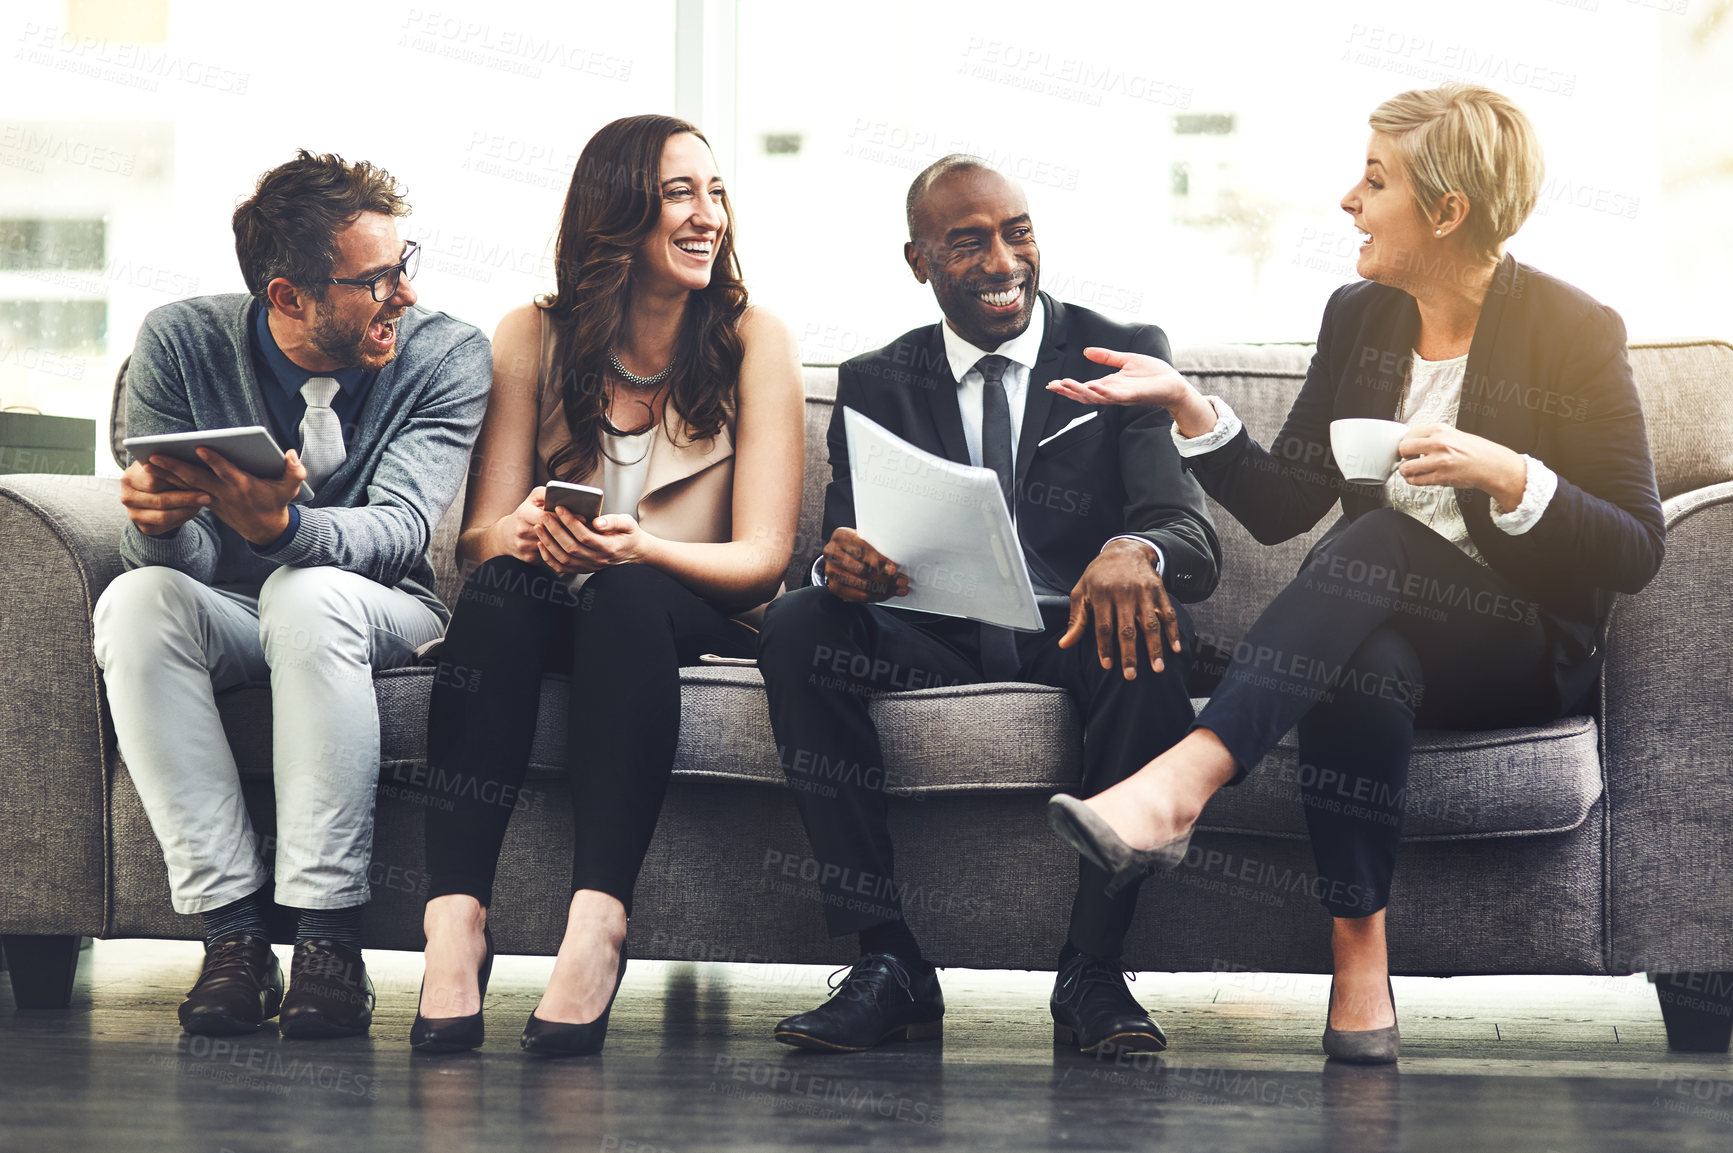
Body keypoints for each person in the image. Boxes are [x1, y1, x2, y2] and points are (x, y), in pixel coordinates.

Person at [1045, 83, 1664, 1064]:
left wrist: (1510, 474)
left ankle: (1179, 782)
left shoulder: (1570, 329)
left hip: (1516, 644)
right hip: (1381, 631)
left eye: (1373, 181)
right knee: (1358, 643)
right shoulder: (1360, 316)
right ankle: (1356, 960)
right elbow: (1286, 499)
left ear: (1447, 210)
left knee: (1366, 545)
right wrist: (1184, 408)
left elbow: (1634, 544)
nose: (1347, 201)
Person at [756, 155, 1221, 1056]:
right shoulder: (877, 379)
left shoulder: (1119, 351)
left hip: (1074, 625)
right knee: (800, 624)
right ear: (917, 260)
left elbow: (1185, 535)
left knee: (1158, 634)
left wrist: (1136, 548)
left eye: (1018, 233)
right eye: (967, 243)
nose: (1003, 261)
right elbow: (841, 541)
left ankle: (1092, 967)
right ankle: (886, 961)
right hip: (929, 628)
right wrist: (838, 566)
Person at [412, 114, 804, 1056]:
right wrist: (521, 529)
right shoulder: (531, 335)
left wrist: (643, 550)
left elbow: (762, 557)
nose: (708, 214)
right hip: (552, 593)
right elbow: (477, 539)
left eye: (715, 192)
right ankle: (453, 921)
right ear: (614, 213)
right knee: (504, 588)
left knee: (622, 594)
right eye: (680, 194)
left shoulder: (754, 338)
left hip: (679, 599)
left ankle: (598, 926)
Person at [91, 151, 492, 1038]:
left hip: (382, 607)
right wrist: (156, 521)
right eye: (377, 281)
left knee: (306, 594)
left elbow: (399, 530)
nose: (406, 296)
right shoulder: (180, 342)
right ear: (288, 297)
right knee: (135, 600)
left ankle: (326, 943)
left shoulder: (447, 353)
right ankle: (233, 936)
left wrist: (284, 535)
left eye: (404, 264)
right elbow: (178, 555)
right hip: (236, 608)